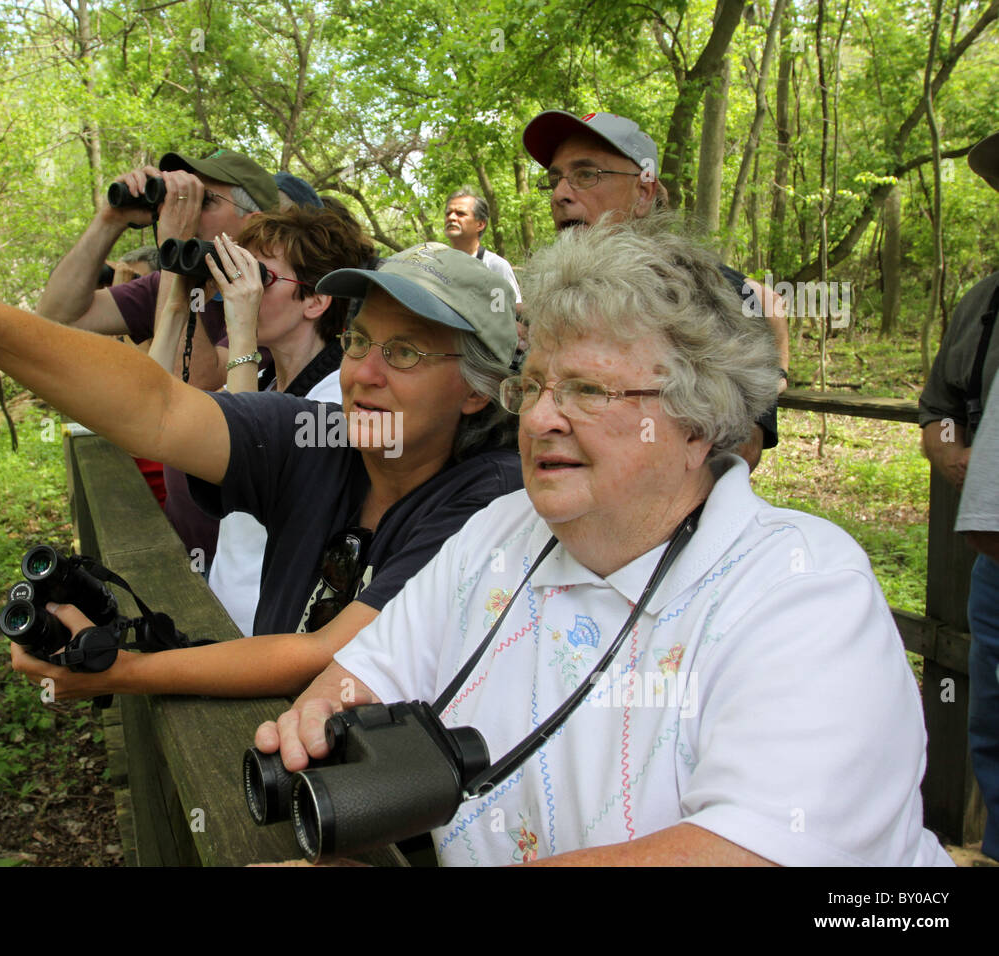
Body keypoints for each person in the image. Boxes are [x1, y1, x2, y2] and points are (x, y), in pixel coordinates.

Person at [255, 218, 952, 866]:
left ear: (698, 419)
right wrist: (321, 715)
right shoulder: (500, 531)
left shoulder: (803, 588)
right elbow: (373, 667)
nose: (541, 419)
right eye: (532, 387)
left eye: (588, 389)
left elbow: (748, 853)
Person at [0, 228, 522, 701]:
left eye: (406, 353)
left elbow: (323, 652)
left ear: (476, 390)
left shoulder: (491, 503)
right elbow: (157, 409)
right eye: (361, 343)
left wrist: (128, 671)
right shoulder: (325, 441)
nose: (365, 374)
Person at [146, 206, 376, 632]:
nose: (241, 286)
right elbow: (152, 411)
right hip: (222, 619)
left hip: (268, 643)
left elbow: (241, 448)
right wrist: (179, 301)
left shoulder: (336, 402)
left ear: (315, 300)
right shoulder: (263, 382)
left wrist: (242, 329)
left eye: (260, 276)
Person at [521, 109, 788, 469]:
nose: (560, 194)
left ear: (644, 192)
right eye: (555, 180)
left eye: (586, 175)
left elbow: (744, 446)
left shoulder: (716, 294)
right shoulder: (548, 296)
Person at [922, 129, 999, 862]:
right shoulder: (984, 301)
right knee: (991, 717)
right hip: (993, 561)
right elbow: (941, 401)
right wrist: (952, 450)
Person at [35, 148, 280, 362]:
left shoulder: (277, 296)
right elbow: (55, 319)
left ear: (252, 223)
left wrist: (176, 246)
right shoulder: (166, 285)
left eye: (203, 201)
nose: (185, 209)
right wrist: (111, 220)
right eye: (179, 196)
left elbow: (188, 383)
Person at [443, 187, 522, 304]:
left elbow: (513, 311)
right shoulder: (437, 264)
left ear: (480, 224)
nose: (451, 217)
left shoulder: (495, 267)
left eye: (460, 214)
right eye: (448, 213)